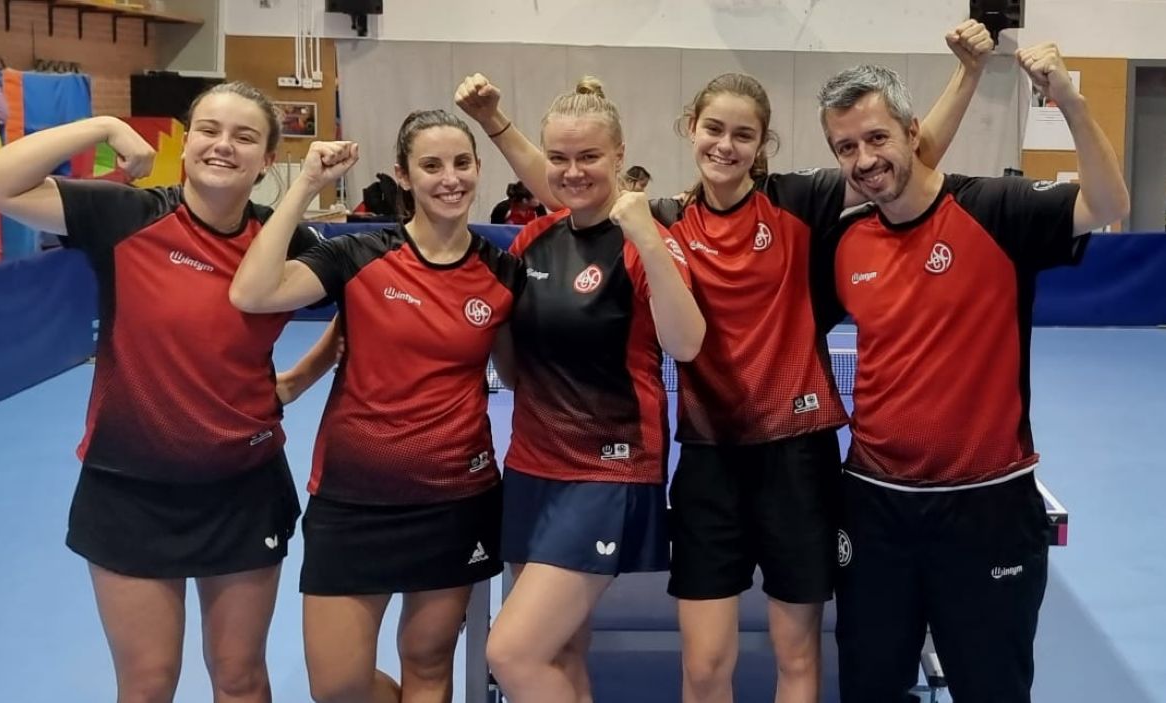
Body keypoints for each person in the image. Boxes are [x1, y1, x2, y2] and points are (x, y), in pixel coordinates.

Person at [456, 21, 989, 703]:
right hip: (708, 459)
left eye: (743, 134)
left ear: (761, 146)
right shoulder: (668, 218)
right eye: (714, 129)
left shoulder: (801, 203)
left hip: (797, 456)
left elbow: (899, 168)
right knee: (705, 667)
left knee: (798, 656)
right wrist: (498, 124)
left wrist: (967, 76)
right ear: (691, 128)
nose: (725, 145)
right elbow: (570, 183)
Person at [0, 81, 333, 703]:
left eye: (245, 136)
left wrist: (299, 377)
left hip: (243, 487)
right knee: (147, 683)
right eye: (209, 130)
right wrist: (101, 125)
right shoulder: (127, 216)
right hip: (127, 489)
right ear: (186, 143)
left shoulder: (286, 240)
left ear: (269, 159)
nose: (223, 145)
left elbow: (363, 307)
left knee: (240, 678)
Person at [814, 45, 1128, 703]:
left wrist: (1070, 102)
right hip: (874, 507)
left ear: (913, 132)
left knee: (991, 689)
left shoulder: (998, 210)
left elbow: (1105, 203)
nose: (865, 159)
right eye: (846, 147)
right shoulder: (845, 240)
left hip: (988, 506)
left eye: (876, 137)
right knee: (869, 686)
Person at [228, 109, 522, 703]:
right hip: (353, 498)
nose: (450, 178)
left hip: (455, 497)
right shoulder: (358, 255)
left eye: (462, 163)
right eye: (431, 165)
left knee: (428, 665)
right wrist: (306, 185)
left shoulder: (502, 272)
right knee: (336, 687)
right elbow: (253, 292)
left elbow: (516, 374)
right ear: (404, 176)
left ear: (479, 169)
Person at [456, 75, 705, 703]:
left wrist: (647, 236)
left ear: (620, 155)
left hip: (609, 471)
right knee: (559, 650)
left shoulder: (649, 243)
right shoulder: (537, 238)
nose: (572, 171)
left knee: (511, 652)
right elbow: (512, 365)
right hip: (534, 467)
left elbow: (686, 344)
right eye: (559, 158)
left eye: (589, 156)